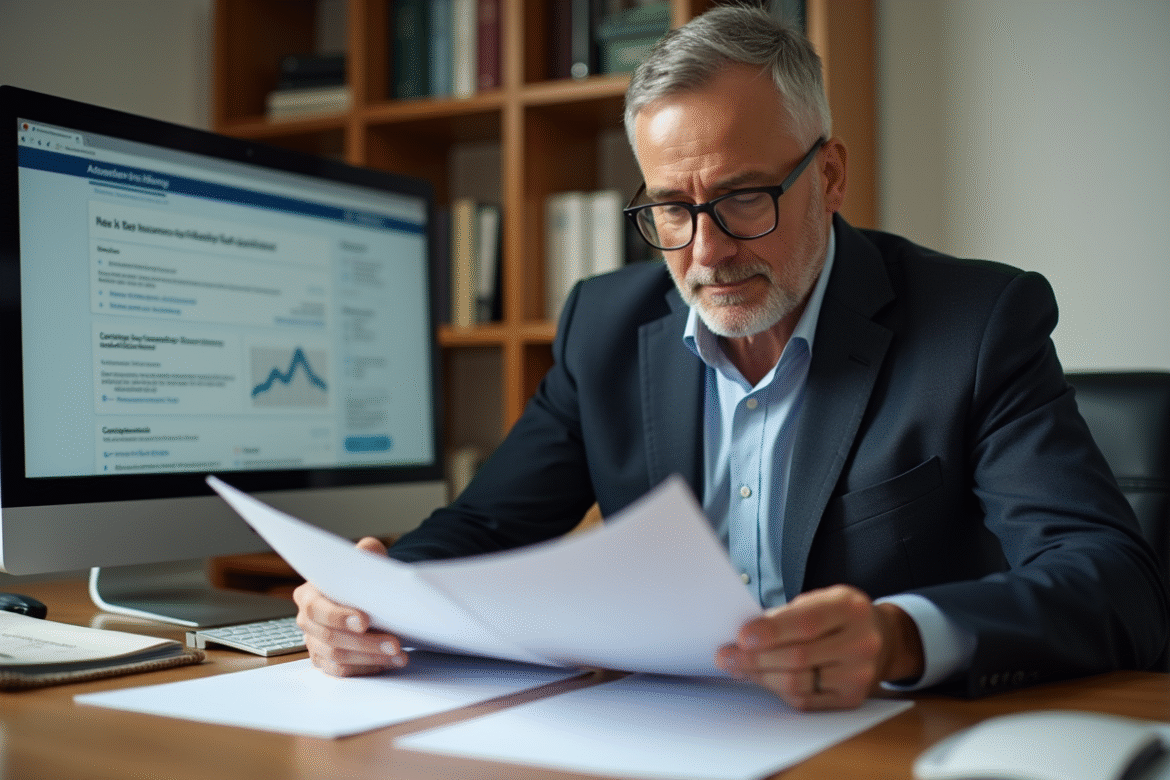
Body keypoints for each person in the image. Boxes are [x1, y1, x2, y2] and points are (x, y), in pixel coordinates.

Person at [294, 6, 1168, 711]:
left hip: (876, 743)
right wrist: (370, 592)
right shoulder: (602, 324)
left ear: (828, 177)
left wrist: (899, 636)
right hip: (657, 731)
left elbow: (1113, 581)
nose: (705, 253)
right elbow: (488, 526)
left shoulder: (977, 323)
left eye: (743, 198)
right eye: (671, 208)